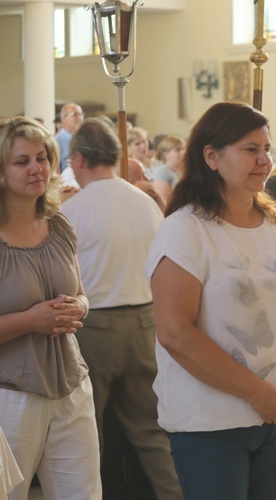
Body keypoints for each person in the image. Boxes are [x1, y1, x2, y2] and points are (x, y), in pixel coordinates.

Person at [146, 102, 276, 499]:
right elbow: (175, 333)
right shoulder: (185, 231)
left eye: (268, 148)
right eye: (250, 149)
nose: (265, 160)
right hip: (212, 424)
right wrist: (258, 394)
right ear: (211, 156)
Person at [60, 117, 182, 499]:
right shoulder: (145, 203)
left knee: (85, 433)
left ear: (78, 158)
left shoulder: (73, 211)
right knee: (151, 431)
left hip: (96, 329)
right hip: (146, 324)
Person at [0, 116, 101, 499]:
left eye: (41, 158)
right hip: (10, 390)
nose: (35, 168)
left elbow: (80, 293)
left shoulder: (59, 225)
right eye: (21, 161)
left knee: (83, 493)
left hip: (71, 383)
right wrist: (30, 320)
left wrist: (80, 308)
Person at [151, 133, 186, 203]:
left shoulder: (185, 169)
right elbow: (163, 202)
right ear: (166, 154)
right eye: (178, 150)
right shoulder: (162, 172)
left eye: (183, 149)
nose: (182, 152)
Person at [54, 103, 84, 172]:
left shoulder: (85, 138)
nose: (80, 118)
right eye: (75, 115)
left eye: (81, 114)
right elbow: (56, 168)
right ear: (64, 118)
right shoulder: (58, 140)